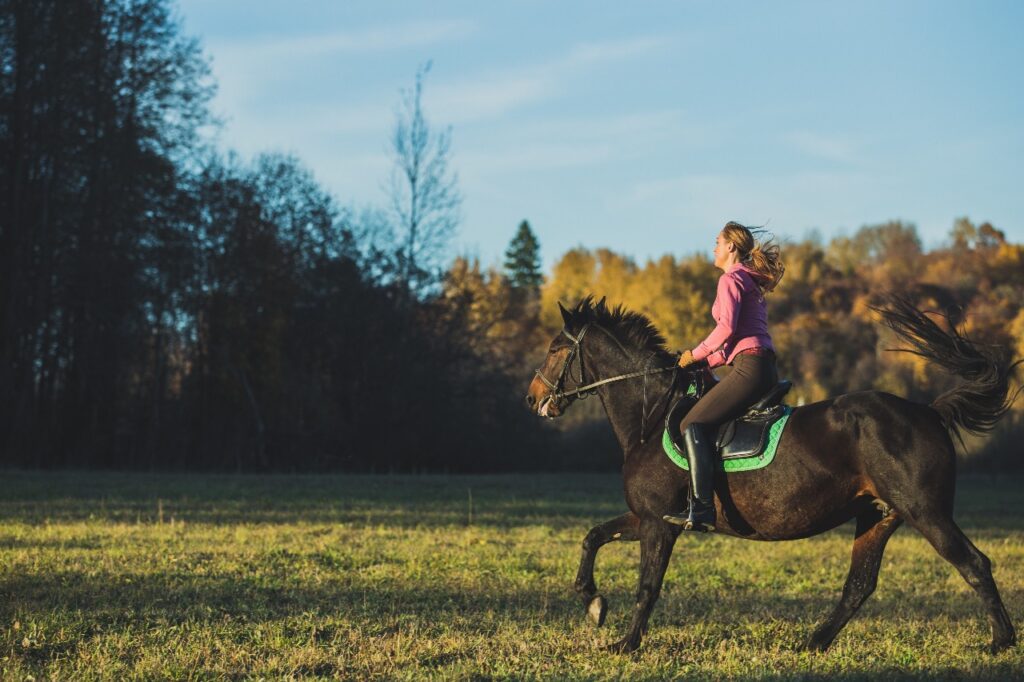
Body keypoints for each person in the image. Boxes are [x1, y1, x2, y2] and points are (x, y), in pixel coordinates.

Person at [663, 221, 785, 531]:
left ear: (731, 247)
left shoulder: (730, 279)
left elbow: (726, 330)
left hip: (749, 367)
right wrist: (705, 364)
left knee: (691, 423)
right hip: (759, 366)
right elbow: (734, 342)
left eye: (717, 242)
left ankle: (702, 508)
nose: (714, 247)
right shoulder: (749, 281)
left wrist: (693, 354)